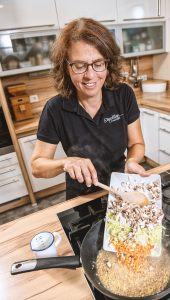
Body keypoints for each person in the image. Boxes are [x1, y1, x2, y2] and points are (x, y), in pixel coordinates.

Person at [31, 18, 148, 200]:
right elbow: (37, 167)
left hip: (121, 187)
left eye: (98, 64)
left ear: (107, 64)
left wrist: (131, 161)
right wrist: (65, 163)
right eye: (79, 66)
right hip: (81, 197)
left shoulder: (123, 94)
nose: (90, 75)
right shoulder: (55, 109)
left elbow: (136, 144)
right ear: (66, 68)